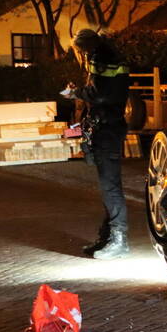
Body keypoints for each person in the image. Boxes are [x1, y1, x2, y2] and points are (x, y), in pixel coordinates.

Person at [68, 29, 131, 259]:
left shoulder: (101, 58)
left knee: (110, 187)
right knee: (108, 187)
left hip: (107, 129)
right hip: (108, 127)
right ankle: (108, 236)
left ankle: (118, 240)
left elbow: (100, 93)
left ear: (84, 48)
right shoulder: (109, 55)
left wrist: (75, 93)